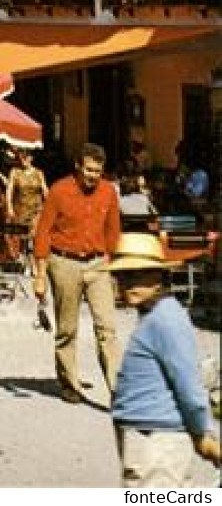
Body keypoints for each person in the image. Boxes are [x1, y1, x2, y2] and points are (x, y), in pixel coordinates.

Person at [107, 233, 222, 486]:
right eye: (122, 276)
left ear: (159, 277)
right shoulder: (154, 315)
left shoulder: (166, 319)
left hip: (158, 438)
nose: (128, 283)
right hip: (147, 433)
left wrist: (202, 433)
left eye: (138, 275)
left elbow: (188, 383)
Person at [33, 142, 123, 404]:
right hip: (64, 263)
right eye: (89, 170)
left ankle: (118, 390)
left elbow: (113, 232)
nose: (93, 176)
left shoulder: (108, 192)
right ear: (77, 166)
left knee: (107, 327)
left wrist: (113, 269)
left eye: (98, 171)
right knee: (67, 329)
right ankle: (68, 382)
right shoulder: (59, 191)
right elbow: (43, 233)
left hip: (98, 264)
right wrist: (40, 275)